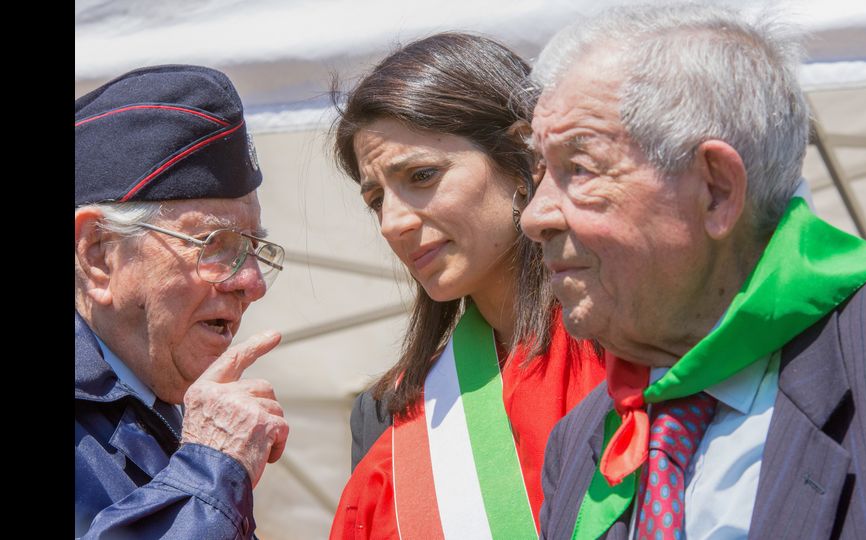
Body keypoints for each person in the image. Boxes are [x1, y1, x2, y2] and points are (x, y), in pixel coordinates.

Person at [520, 4, 866, 539]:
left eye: (579, 167)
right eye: (540, 173)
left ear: (716, 190)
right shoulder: (579, 443)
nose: (534, 217)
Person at [328, 33, 605, 539]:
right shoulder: (384, 413)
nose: (392, 223)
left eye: (422, 174)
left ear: (523, 161)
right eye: (375, 200)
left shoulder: (637, 347)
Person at [75, 64, 290, 539]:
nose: (252, 283)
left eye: (255, 249)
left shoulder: (167, 406)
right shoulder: (206, 446)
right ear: (99, 256)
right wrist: (210, 465)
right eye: (215, 244)